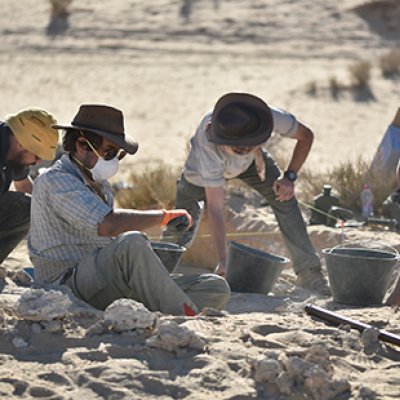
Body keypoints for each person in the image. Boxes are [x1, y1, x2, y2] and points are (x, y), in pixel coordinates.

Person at [28, 104, 230, 316]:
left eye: (118, 155)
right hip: (68, 286)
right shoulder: (55, 181)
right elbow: (109, 225)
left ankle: (158, 306)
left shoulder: (101, 185)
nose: (114, 161)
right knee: (132, 242)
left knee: (213, 287)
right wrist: (164, 217)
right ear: (82, 145)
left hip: (106, 280)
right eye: (110, 153)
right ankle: (183, 313)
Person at [162, 92, 329, 295]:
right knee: (183, 221)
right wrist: (223, 260)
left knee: (284, 198)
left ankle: (309, 273)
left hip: (251, 165)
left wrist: (289, 177)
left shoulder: (269, 117)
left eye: (251, 144)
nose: (244, 149)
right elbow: (215, 207)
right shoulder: (207, 142)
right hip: (198, 176)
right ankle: (159, 272)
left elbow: (306, 135)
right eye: (237, 147)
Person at [0, 107, 58, 265]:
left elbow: (24, 186)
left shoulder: (14, 152)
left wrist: (53, 220)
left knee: (28, 207)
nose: (38, 162)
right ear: (20, 143)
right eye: (37, 155)